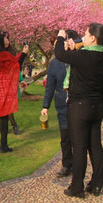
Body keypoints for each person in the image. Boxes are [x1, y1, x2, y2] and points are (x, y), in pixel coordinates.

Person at [54, 23, 103, 198]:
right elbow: (81, 66)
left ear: (93, 38)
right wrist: (74, 51)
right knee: (95, 146)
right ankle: (96, 184)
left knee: (79, 147)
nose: (84, 37)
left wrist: (60, 37)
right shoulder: (102, 58)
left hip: (79, 106)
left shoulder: (83, 55)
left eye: (86, 34)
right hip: (96, 106)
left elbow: (59, 54)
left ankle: (77, 187)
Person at [41, 30, 77, 178]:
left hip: (77, 103)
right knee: (65, 136)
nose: (57, 44)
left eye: (60, 41)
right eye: (55, 42)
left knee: (78, 137)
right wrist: (45, 106)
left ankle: (79, 164)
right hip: (62, 104)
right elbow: (50, 85)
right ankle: (67, 164)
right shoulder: (54, 63)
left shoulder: (76, 58)